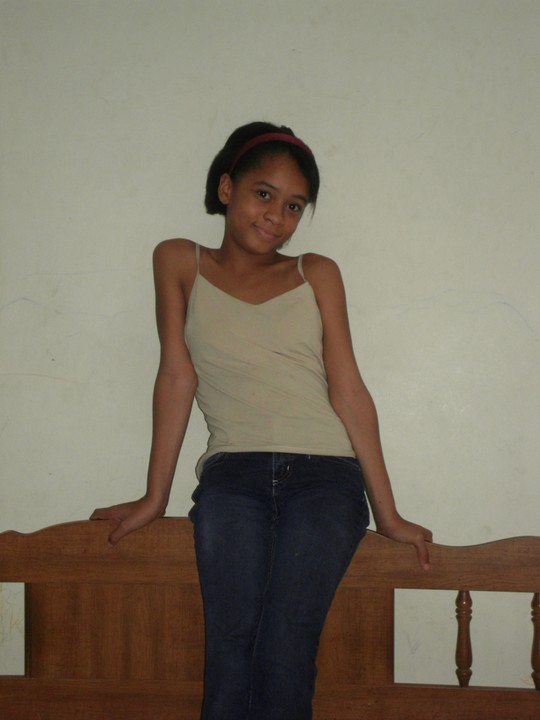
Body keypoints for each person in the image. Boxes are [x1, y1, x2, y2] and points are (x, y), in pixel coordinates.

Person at [91, 121, 432, 720]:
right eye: (264, 193)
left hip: (326, 477)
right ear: (227, 189)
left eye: (294, 205)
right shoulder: (178, 261)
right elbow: (176, 377)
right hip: (233, 476)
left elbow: (349, 391)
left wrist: (389, 514)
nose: (277, 215)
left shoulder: (315, 272)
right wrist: (154, 497)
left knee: (286, 643)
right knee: (229, 644)